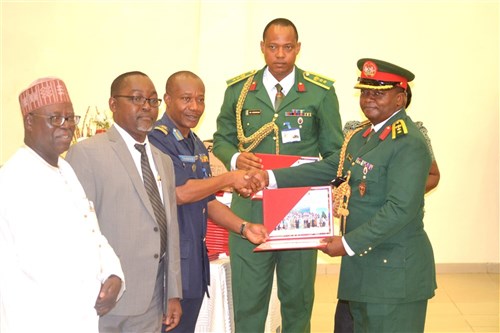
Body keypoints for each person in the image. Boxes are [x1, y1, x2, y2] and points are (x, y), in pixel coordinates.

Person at [257, 58, 437, 332]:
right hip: (364, 269)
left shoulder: (408, 142)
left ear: (400, 99)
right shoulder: (361, 136)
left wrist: (347, 244)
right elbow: (328, 169)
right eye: (365, 92)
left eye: (379, 93)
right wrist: (268, 178)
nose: (368, 99)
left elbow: (399, 210)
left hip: (394, 274)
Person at [213, 18, 343, 332]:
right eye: (273, 47)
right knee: (249, 302)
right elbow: (221, 138)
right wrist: (235, 158)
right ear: (262, 48)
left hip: (300, 208)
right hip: (249, 207)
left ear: (297, 48)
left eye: (287, 47)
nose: (280, 54)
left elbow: (336, 156)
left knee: (297, 303)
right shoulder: (240, 90)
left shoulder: (319, 92)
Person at [0, 77, 124, 333]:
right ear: (29, 122)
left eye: (70, 118)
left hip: (80, 317)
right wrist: (93, 289)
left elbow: (93, 234)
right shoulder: (15, 179)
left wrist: (114, 275)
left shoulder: (65, 169)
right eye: (55, 118)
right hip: (39, 319)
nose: (66, 126)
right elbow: (40, 263)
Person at [148, 70, 269, 332]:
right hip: (170, 267)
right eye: (186, 99)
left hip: (193, 266)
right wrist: (229, 178)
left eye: (200, 99)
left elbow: (208, 202)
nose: (195, 107)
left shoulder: (196, 144)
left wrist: (244, 228)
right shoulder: (157, 138)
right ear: (167, 99)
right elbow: (179, 193)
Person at [66, 71, 182, 333]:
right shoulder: (86, 154)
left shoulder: (162, 159)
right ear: (113, 104)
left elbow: (170, 228)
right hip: (107, 298)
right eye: (136, 99)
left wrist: (172, 292)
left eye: (153, 101)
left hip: (152, 298)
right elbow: (77, 230)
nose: (146, 107)